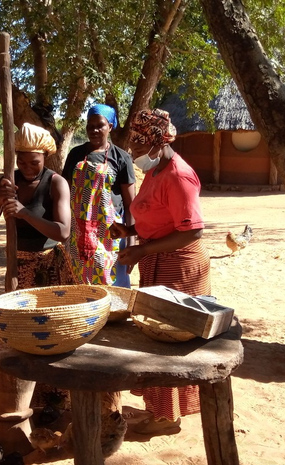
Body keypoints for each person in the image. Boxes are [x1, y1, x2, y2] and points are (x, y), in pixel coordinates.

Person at [111, 108, 210, 435]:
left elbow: (192, 230)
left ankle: (165, 418)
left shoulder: (178, 176)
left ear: (157, 144)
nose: (136, 157)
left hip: (178, 267)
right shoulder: (156, 172)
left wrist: (142, 250)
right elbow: (155, 216)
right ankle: (159, 409)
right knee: (156, 336)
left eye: (139, 151)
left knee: (168, 340)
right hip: (158, 261)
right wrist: (128, 232)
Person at [0, 123, 74, 289]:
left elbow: (63, 232)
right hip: (16, 266)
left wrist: (25, 213)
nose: (27, 169)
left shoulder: (56, 183)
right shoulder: (8, 182)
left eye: (34, 163)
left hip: (49, 266)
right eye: (22, 163)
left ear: (45, 157)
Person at [62, 104, 136, 287]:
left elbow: (130, 204)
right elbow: (64, 192)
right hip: (79, 230)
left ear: (110, 126)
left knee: (112, 281)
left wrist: (132, 243)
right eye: (89, 125)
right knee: (79, 281)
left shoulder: (122, 158)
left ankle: (113, 316)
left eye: (99, 125)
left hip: (110, 231)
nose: (93, 130)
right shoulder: (76, 154)